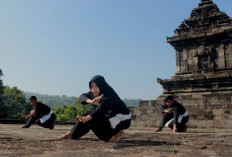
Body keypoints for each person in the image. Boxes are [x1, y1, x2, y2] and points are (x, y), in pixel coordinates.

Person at [58, 75, 131, 142]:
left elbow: (101, 110)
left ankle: (115, 133)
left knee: (89, 117)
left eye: (96, 86)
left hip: (122, 119)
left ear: (101, 85)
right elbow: (82, 96)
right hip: (109, 117)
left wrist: (87, 118)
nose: (94, 89)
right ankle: (72, 133)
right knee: (88, 116)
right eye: (92, 87)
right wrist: (91, 101)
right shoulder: (94, 93)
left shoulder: (109, 93)